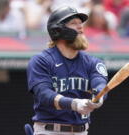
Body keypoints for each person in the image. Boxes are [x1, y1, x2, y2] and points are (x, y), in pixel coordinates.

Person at [27, 6, 108, 135]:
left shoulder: (93, 62)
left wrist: (99, 96)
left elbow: (99, 83)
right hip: (50, 131)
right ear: (57, 30)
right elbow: (44, 94)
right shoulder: (41, 61)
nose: (80, 27)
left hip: (81, 131)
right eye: (73, 23)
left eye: (81, 23)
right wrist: (74, 104)